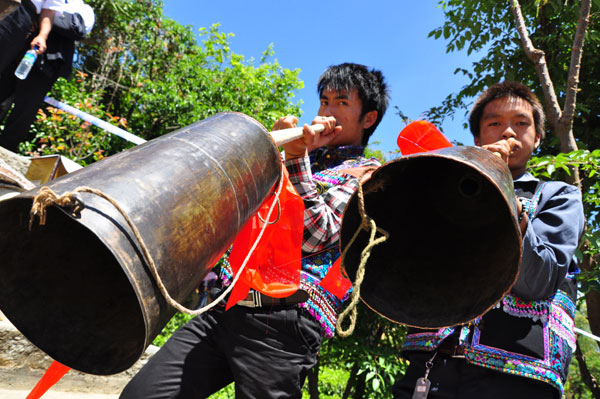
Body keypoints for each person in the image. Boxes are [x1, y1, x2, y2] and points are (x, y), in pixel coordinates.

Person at [119, 62, 390, 399]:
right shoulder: (287, 159)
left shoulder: (366, 175)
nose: (327, 111)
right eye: (324, 101)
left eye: (342, 103)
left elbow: (314, 235)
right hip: (227, 306)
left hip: (285, 321)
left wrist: (295, 158)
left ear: (369, 118)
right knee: (142, 395)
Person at [392, 81, 584, 399]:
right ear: (478, 138)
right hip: (429, 366)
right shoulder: (443, 192)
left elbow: (538, 282)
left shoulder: (559, 195)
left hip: (517, 375)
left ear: (537, 138)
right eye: (494, 123)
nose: (508, 133)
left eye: (521, 123)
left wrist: (502, 187)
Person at [0, 0, 94, 153]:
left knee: (25, 110)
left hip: (48, 64)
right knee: (2, 96)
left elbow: (77, 29)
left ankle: (6, 151)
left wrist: (44, 15)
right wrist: (48, 13)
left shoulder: (84, 9)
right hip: (22, 52)